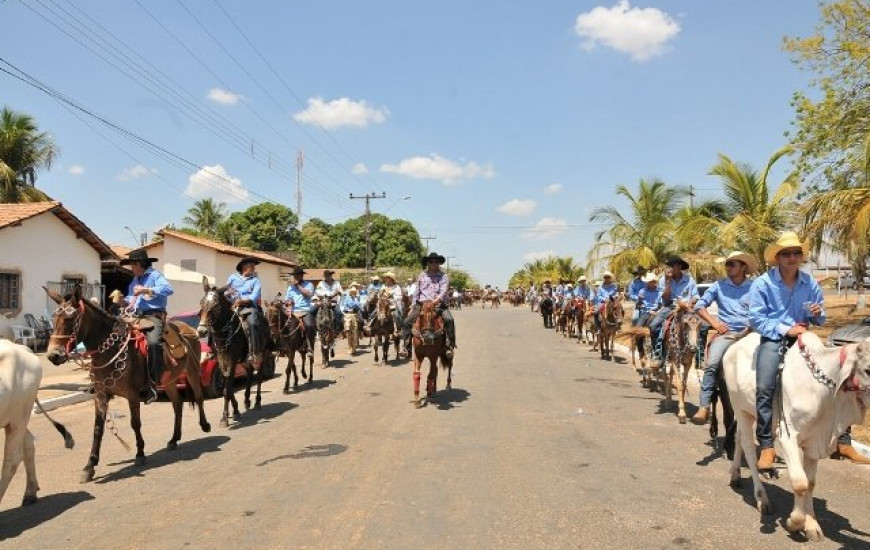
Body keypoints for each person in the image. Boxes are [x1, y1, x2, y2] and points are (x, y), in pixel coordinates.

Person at [748, 232, 825, 469]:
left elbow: (821, 317)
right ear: (778, 258)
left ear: (801, 257)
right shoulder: (763, 283)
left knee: (835, 374)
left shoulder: (810, 282)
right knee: (765, 386)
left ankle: (841, 439)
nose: (792, 257)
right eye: (786, 254)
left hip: (804, 335)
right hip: (774, 337)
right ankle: (767, 444)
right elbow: (756, 319)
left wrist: (816, 312)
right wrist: (786, 329)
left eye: (796, 253)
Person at [691, 252, 756, 425]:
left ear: (743, 267)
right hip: (727, 334)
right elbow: (699, 306)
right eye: (727, 264)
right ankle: (704, 406)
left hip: (752, 334)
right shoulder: (718, 286)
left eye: (732, 264)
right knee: (712, 363)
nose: (728, 267)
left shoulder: (755, 286)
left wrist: (753, 325)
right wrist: (715, 323)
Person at [121, 248, 174, 404]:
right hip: (136, 316)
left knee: (153, 343)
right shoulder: (134, 280)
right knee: (115, 336)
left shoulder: (155, 276)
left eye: (132, 265)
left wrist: (147, 289)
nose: (131, 268)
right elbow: (132, 298)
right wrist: (123, 302)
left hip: (154, 315)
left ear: (139, 264)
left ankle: (154, 384)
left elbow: (169, 290)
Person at [403, 252, 456, 358]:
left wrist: (435, 302)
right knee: (407, 322)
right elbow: (417, 291)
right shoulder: (422, 275)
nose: (434, 264)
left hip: (438, 305)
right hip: (422, 304)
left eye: (436, 262)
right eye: (431, 262)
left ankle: (449, 346)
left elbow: (444, 291)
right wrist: (413, 306)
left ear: (439, 263)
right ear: (428, 263)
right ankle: (406, 347)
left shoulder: (443, 276)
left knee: (449, 320)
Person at [648, 257, 699, 367]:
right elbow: (665, 298)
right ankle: (657, 355)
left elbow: (695, 296)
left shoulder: (689, 280)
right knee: (654, 325)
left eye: (673, 265)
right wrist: (667, 282)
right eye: (669, 266)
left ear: (680, 267)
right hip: (670, 306)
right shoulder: (663, 280)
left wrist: (689, 304)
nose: (670, 268)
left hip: (687, 308)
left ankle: (700, 357)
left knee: (703, 326)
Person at [226, 257, 266, 367]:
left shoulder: (255, 280)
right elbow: (226, 292)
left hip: (248, 307)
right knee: (218, 320)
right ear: (244, 266)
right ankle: (214, 350)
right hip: (233, 307)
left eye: (254, 266)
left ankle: (254, 352)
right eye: (251, 265)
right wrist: (228, 294)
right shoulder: (232, 278)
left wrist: (243, 301)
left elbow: (255, 296)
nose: (253, 268)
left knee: (253, 323)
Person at [283, 266, 315, 350]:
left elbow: (308, 294)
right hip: (293, 312)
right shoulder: (290, 288)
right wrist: (288, 302)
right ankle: (282, 347)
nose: (295, 277)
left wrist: (298, 286)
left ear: (302, 276)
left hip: (305, 311)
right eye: (294, 275)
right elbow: (287, 299)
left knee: (309, 325)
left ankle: (310, 346)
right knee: (282, 324)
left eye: (297, 275)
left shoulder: (309, 284)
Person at [633, 272, 661, 361]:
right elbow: (639, 302)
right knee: (638, 331)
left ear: (654, 282)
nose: (649, 283)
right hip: (646, 312)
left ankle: (659, 352)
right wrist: (644, 308)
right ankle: (641, 351)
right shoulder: (642, 291)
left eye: (651, 282)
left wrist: (657, 311)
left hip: (657, 313)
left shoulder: (660, 292)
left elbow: (661, 304)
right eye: (648, 282)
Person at [312, 269, 343, 333]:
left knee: (339, 313)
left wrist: (335, 298)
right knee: (312, 311)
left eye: (329, 275)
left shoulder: (337, 283)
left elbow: (340, 292)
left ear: (331, 275)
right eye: (326, 276)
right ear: (324, 276)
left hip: (332, 302)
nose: (328, 277)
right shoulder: (321, 283)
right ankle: (314, 328)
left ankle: (337, 330)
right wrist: (320, 299)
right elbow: (317, 292)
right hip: (322, 302)